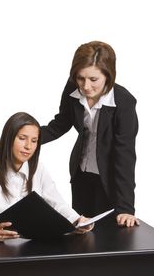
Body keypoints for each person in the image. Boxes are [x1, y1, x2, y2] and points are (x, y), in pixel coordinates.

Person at [41, 41, 139, 227]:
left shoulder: (124, 103)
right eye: (80, 78)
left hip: (109, 179)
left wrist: (126, 208)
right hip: (81, 172)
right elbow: (60, 124)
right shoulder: (72, 89)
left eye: (93, 79)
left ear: (108, 76)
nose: (85, 86)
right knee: (80, 231)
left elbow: (125, 155)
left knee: (107, 236)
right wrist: (17, 139)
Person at [0, 112, 93, 241]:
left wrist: (77, 220)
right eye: (22, 138)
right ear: (9, 138)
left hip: (33, 244)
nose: (28, 146)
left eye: (34, 141)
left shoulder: (39, 169)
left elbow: (57, 204)